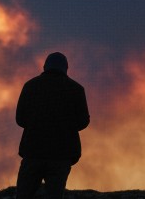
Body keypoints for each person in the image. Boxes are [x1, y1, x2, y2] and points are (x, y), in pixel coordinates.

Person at [15, 52, 90, 199]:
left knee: (24, 194)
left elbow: (20, 119)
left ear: (44, 66)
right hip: (61, 155)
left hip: (33, 152)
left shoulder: (30, 86)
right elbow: (83, 121)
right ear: (66, 68)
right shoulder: (76, 89)